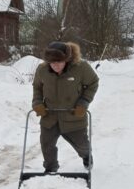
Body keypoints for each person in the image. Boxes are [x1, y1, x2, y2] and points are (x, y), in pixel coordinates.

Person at [32, 41, 99, 172]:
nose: (55, 65)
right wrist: (37, 103)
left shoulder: (81, 67)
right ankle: (51, 168)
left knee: (82, 145)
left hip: (73, 115)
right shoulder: (42, 70)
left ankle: (87, 156)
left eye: (59, 62)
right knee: (46, 144)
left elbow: (93, 83)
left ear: (67, 59)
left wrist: (84, 102)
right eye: (52, 62)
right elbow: (37, 87)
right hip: (50, 116)